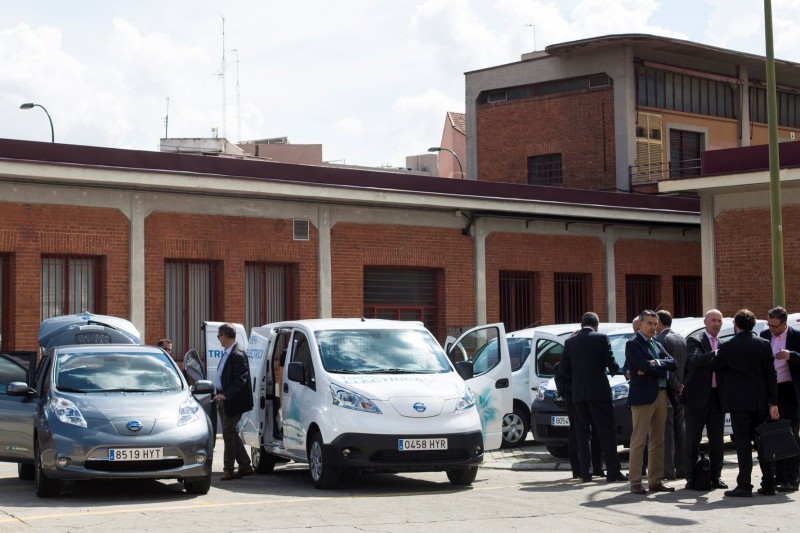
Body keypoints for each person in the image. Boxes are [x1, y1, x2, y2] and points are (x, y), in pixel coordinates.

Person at [706, 309, 779, 497]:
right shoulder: (763, 344)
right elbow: (771, 374)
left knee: (743, 444)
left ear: (736, 325)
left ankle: (744, 484)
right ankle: (769, 482)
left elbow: (714, 365)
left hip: (739, 403)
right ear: (752, 325)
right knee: (763, 442)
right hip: (761, 402)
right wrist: (773, 402)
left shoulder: (730, 346)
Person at [559, 312, 627, 483]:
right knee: (607, 432)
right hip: (600, 393)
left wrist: (576, 380)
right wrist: (615, 369)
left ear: (582, 324)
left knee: (582, 434)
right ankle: (613, 471)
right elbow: (611, 365)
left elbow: (563, 369)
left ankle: (585, 473)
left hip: (579, 394)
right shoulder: (601, 338)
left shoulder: (570, 342)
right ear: (596, 325)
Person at [625, 309, 677, 494]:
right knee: (639, 440)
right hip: (643, 397)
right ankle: (635, 481)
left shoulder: (656, 343)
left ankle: (655, 480)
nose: (653, 328)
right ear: (640, 324)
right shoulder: (633, 344)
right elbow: (642, 365)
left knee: (658, 440)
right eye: (649, 324)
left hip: (661, 394)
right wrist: (656, 365)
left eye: (655, 324)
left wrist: (655, 364)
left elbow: (673, 363)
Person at [683, 309, 728, 490]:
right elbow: (695, 361)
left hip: (717, 397)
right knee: (692, 439)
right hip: (697, 399)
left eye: (719, 321)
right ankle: (691, 477)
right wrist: (716, 354)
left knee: (717, 440)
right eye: (713, 320)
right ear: (705, 322)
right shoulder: (695, 340)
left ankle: (715, 476)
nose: (716, 324)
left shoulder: (724, 344)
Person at [761, 306, 800, 492]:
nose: (771, 328)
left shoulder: (796, 336)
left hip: (789, 391)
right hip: (770, 391)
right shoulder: (763, 335)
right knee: (773, 433)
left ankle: (792, 478)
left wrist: (791, 355)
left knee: (791, 434)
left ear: (784, 324)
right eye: (769, 323)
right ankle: (779, 476)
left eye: (774, 326)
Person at [213, 323, 255, 481]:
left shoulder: (237, 354)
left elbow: (241, 380)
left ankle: (228, 469)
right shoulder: (227, 353)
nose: (219, 340)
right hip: (223, 398)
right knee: (231, 433)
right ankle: (244, 465)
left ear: (224, 336)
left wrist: (226, 395)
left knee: (228, 434)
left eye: (219, 336)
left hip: (233, 401)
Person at [554, 360, 604, 479]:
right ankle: (581, 470)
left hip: (581, 400)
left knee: (585, 434)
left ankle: (590, 469)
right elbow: (561, 386)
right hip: (577, 401)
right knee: (578, 435)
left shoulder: (565, 365)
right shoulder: (563, 366)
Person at [656, 310, 687, 480]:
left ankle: (668, 470)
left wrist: (676, 386)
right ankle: (682, 468)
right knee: (680, 431)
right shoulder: (681, 338)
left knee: (667, 432)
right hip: (680, 392)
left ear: (660, 323)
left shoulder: (660, 340)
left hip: (668, 391)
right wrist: (683, 386)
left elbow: (666, 369)